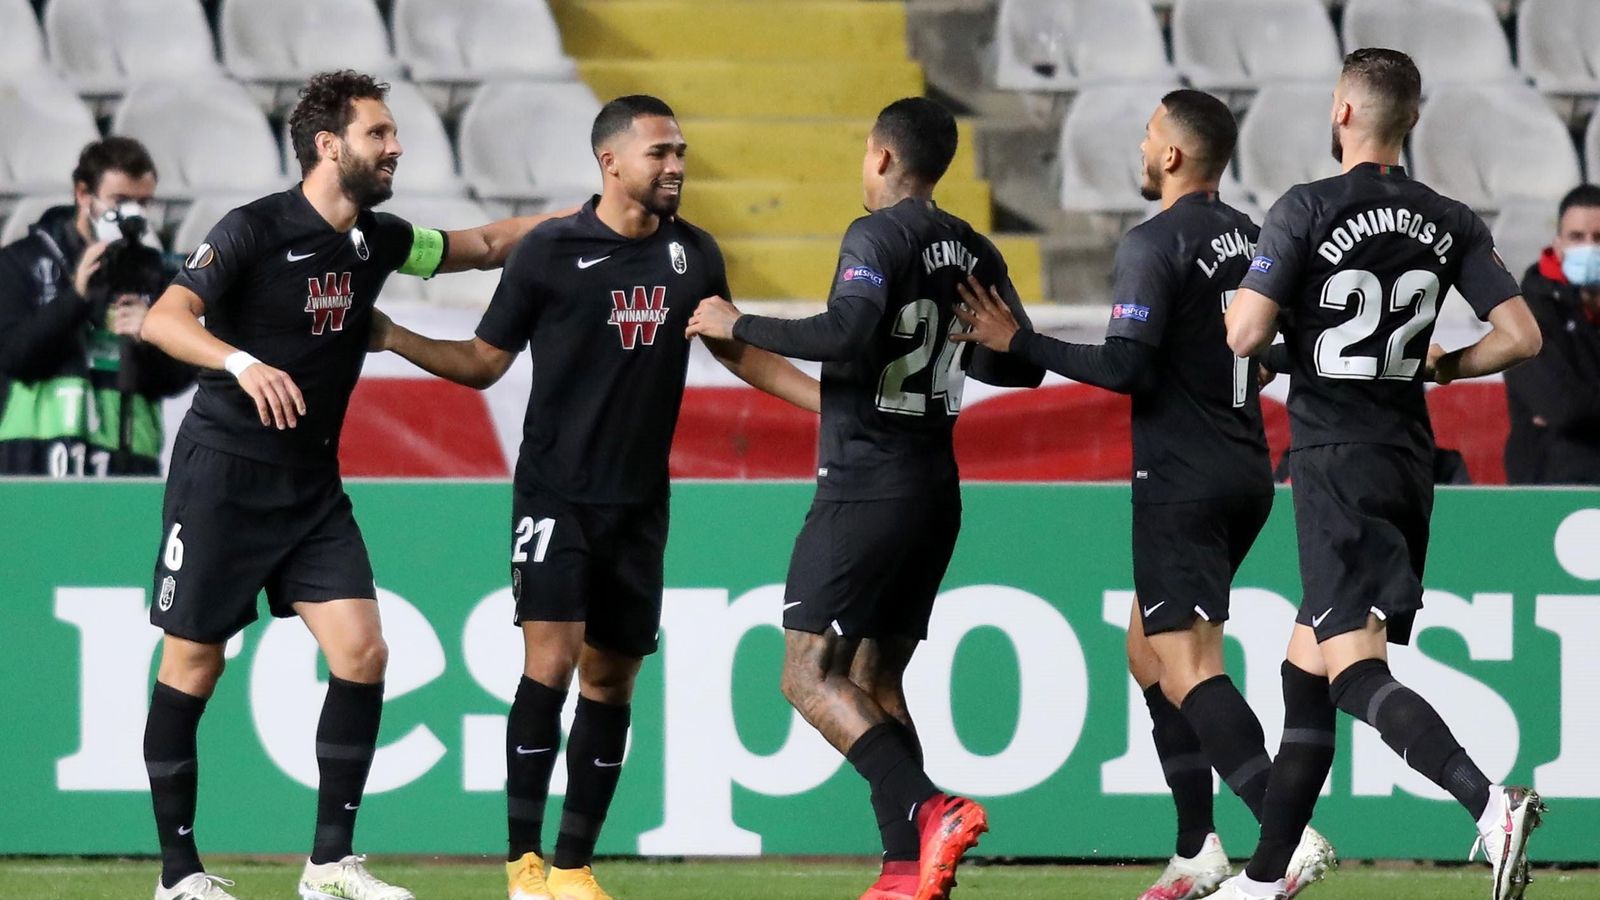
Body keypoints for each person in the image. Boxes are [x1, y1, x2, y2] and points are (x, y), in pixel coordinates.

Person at [368, 94, 820, 900]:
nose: (677, 165)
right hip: (556, 495)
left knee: (613, 682)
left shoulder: (696, 255)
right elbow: (482, 362)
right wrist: (394, 337)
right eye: (660, 153)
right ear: (611, 162)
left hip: (640, 504)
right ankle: (522, 865)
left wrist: (831, 404)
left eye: (680, 151)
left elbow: (735, 351)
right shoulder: (547, 252)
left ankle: (574, 866)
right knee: (552, 657)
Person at [136, 70, 572, 900]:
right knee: (193, 664)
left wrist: (577, 222)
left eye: (395, 132)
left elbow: (475, 247)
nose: (397, 145)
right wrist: (242, 360)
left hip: (310, 486)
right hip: (223, 478)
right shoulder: (253, 230)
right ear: (330, 145)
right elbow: (164, 317)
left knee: (364, 652)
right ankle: (178, 876)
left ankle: (329, 865)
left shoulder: (379, 240)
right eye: (380, 133)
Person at [952, 89, 1333, 900]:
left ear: (1172, 156)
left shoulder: (1154, 241)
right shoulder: (1255, 239)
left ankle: (1284, 836)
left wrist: (1017, 341)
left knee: (1190, 665)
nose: (1140, 143)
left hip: (1183, 479)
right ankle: (1198, 847)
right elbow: (1285, 345)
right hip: (1243, 468)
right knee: (1146, 651)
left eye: (1149, 134)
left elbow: (1126, 367)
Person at [686, 96, 1045, 900]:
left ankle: (931, 809)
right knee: (879, 682)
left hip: (863, 489)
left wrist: (736, 321)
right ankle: (905, 868)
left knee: (807, 675)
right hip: (932, 492)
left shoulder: (877, 235)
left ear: (882, 158)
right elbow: (1020, 364)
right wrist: (956, 342)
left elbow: (845, 333)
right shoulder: (973, 246)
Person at [1216, 49, 1545, 900]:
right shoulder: (1449, 217)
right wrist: (1447, 367)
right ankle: (1264, 880)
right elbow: (1521, 338)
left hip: (1335, 461)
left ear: (1340, 111)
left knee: (1355, 670)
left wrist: (1255, 317)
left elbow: (1245, 336)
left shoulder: (1306, 209)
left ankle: (1488, 803)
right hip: (1405, 458)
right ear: (1414, 122)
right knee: (1305, 675)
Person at [0, 136, 194, 476]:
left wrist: (151, 334)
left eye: (143, 203)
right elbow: (14, 357)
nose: (132, 215)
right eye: (119, 200)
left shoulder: (154, 271)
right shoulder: (23, 262)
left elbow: (180, 377)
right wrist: (76, 298)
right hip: (35, 461)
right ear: (83, 195)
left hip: (128, 461)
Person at [1503, 183, 1600, 484]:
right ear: (1558, 246)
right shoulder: (1525, 313)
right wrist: (1573, 410)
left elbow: (1575, 407)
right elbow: (1563, 407)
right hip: (1548, 487)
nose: (1589, 247)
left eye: (1599, 238)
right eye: (1577, 237)